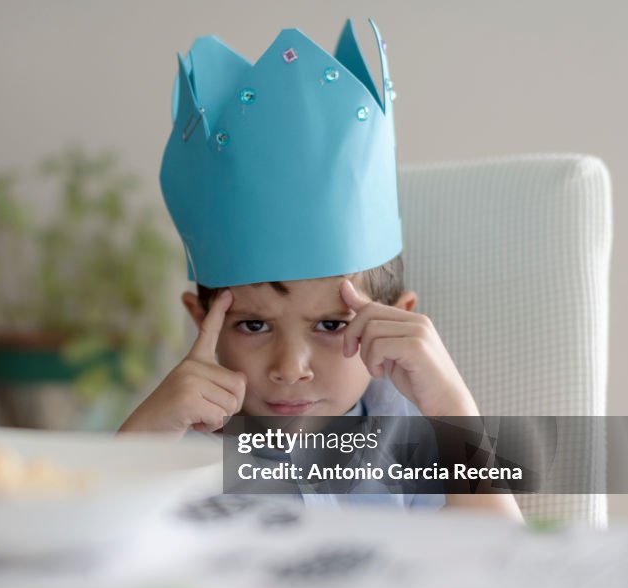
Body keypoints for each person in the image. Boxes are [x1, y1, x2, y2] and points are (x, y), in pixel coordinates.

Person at [118, 18, 521, 520]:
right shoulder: (175, 442)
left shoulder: (415, 442)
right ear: (203, 322)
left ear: (399, 319)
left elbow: (499, 560)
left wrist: (455, 409)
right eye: (254, 325)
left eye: (332, 325)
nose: (290, 368)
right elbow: (79, 561)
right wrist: (140, 439)